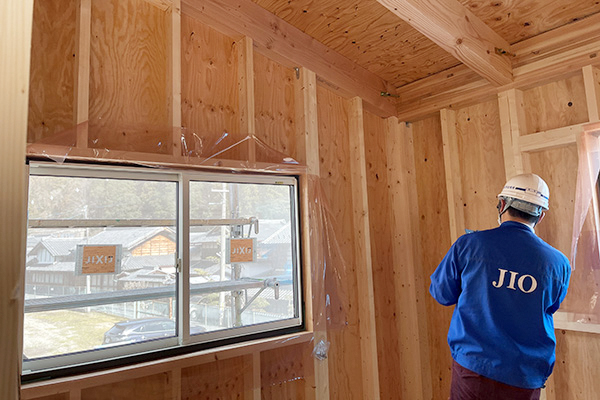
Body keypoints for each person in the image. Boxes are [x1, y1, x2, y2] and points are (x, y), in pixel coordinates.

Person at [429, 173, 571, 400]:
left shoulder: (470, 245)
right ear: (541, 216)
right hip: (525, 377)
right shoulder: (559, 264)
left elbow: (442, 293)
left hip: (474, 369)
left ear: (502, 204)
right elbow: (551, 306)